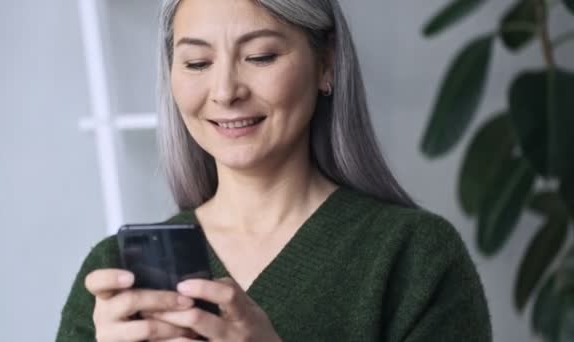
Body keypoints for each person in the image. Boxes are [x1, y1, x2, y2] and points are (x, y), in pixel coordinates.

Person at [57, 0, 492, 341]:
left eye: (261, 56)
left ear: (326, 64)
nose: (226, 91)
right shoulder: (114, 276)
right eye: (197, 63)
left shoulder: (415, 256)